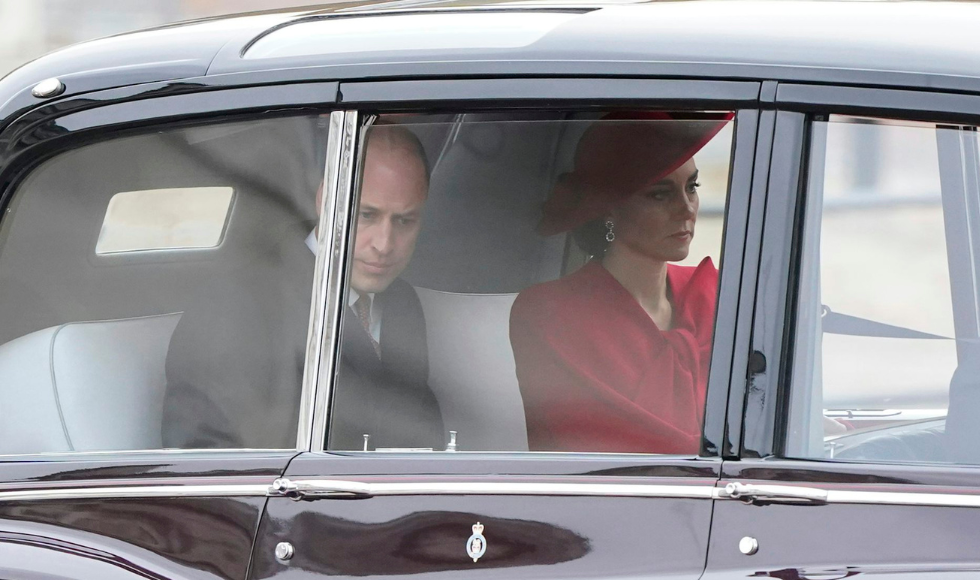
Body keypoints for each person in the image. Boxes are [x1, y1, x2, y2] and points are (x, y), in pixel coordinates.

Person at [162, 123, 443, 451]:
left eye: (404, 221)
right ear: (326, 199)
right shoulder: (233, 308)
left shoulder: (403, 301)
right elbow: (204, 462)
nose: (384, 244)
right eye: (366, 215)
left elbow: (421, 433)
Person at [509, 112, 730, 454]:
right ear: (609, 206)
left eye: (692, 187)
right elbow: (598, 445)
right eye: (660, 194)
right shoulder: (553, 315)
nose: (686, 209)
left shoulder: (713, 296)